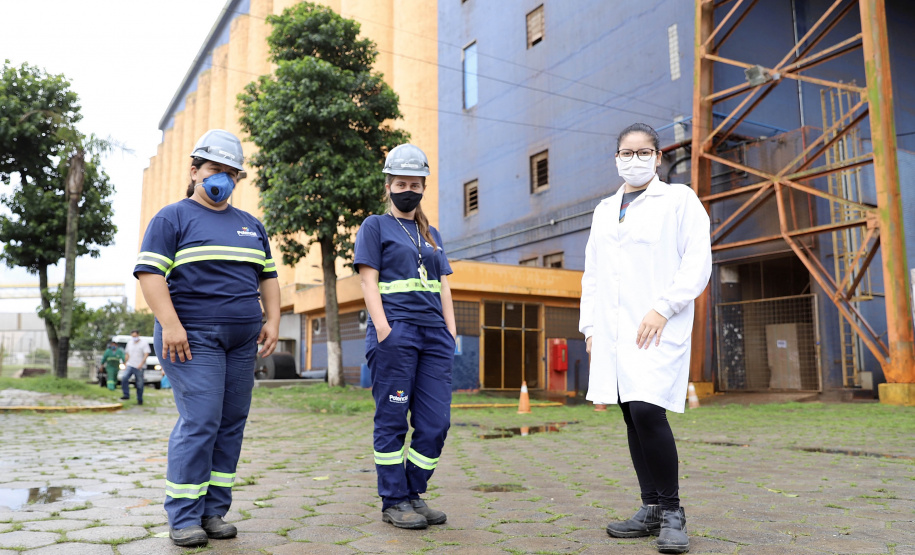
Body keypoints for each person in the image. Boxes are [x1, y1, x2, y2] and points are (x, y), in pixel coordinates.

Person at [134, 129, 280, 548]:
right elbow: (150, 274)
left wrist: (273, 319)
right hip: (191, 338)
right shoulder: (172, 218)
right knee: (201, 421)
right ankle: (183, 515)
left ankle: (213, 511)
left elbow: (268, 277)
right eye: (215, 169)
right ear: (194, 171)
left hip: (242, 341)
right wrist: (171, 324)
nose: (223, 179)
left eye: (231, 173)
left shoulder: (251, 225)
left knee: (231, 423)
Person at [579, 123, 712, 554]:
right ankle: (651, 506)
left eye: (643, 152)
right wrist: (590, 328)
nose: (633, 159)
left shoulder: (679, 200)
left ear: (658, 157)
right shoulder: (604, 210)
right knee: (630, 414)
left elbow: (697, 261)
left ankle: (673, 512)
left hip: (657, 325)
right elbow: (593, 273)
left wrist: (664, 307)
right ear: (616, 157)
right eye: (626, 152)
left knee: (647, 409)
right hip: (613, 331)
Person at [354, 144, 457, 530]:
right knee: (393, 419)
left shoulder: (432, 234)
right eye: (401, 184)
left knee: (436, 423)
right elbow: (368, 281)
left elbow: (444, 286)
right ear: (389, 186)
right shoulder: (375, 226)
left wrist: (450, 331)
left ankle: (413, 492)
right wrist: (384, 329)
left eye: (415, 184)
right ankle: (394, 499)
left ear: (424, 187)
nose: (408, 190)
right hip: (397, 333)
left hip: (435, 338)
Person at [121, 329, 150, 405]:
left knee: (139, 384)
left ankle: (139, 399)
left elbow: (146, 354)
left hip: (140, 366)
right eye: (133, 336)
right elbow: (127, 354)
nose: (134, 338)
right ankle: (126, 395)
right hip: (130, 364)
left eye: (135, 336)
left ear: (138, 335)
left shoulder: (144, 343)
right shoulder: (130, 343)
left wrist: (141, 364)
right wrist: (125, 363)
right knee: (124, 378)